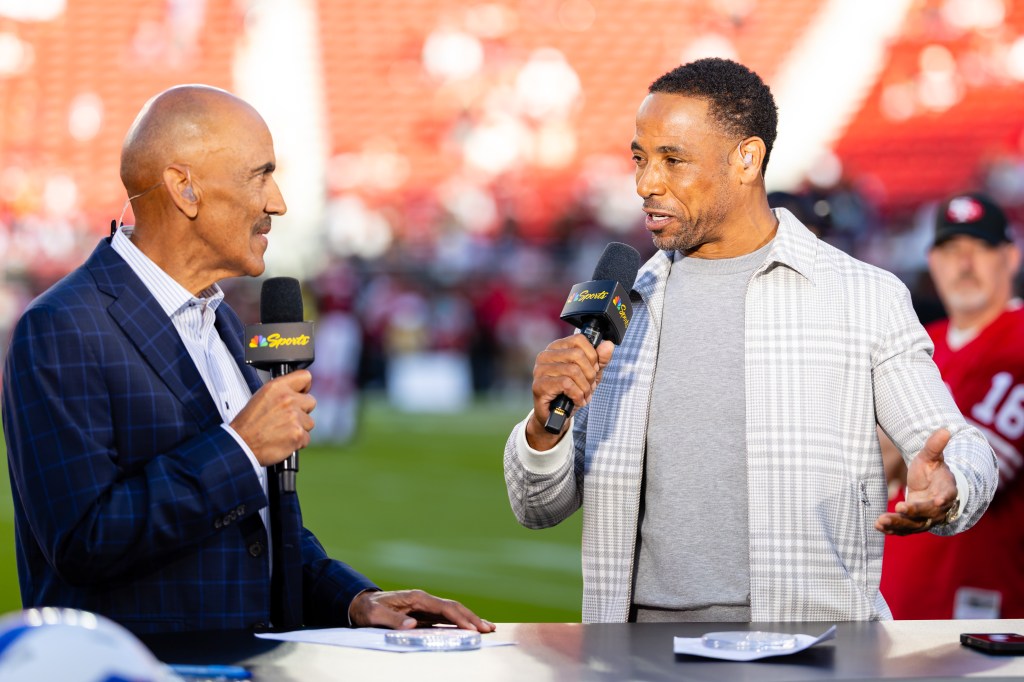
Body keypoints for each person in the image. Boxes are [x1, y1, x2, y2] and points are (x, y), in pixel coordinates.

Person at [502, 58, 998, 623]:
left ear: (747, 158)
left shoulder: (863, 296)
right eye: (639, 159)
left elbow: (956, 441)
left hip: (810, 648)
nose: (645, 184)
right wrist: (545, 429)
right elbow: (537, 507)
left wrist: (952, 485)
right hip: (633, 648)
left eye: (672, 160)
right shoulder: (624, 305)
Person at [1, 85, 494, 636]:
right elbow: (82, 540)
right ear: (184, 187)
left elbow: (255, 530)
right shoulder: (64, 326)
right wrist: (238, 448)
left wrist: (355, 600)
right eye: (260, 175)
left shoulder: (219, 320)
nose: (277, 202)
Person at [881, 192, 1024, 619]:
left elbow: (971, 468)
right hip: (898, 608)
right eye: (950, 250)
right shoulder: (919, 340)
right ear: (932, 262)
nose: (964, 264)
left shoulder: (1018, 341)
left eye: (979, 249)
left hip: (984, 616)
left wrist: (885, 441)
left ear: (1010, 258)